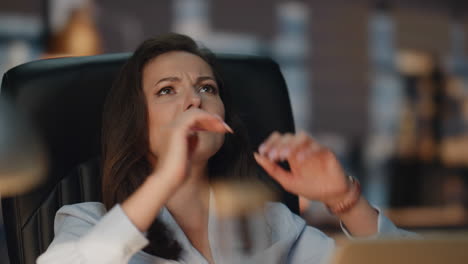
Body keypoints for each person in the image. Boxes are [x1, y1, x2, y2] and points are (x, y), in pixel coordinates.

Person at [37, 33, 413, 264]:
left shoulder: (270, 223)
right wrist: (167, 177)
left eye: (207, 88)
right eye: (167, 90)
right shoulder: (87, 220)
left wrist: (344, 197)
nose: (193, 102)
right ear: (134, 123)